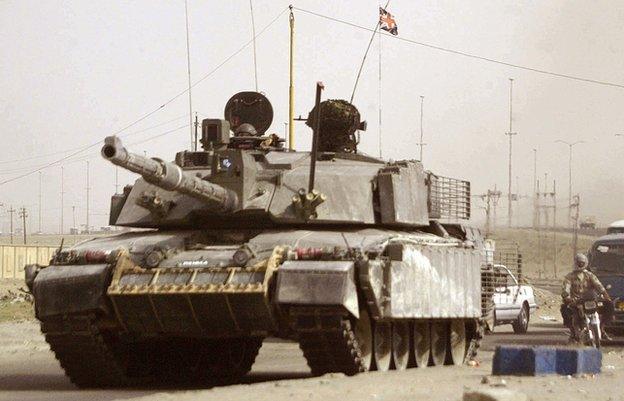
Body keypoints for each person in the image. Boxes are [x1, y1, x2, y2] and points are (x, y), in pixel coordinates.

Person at [560, 253, 614, 341]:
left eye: (582, 262)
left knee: (609, 305)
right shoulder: (569, 277)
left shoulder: (589, 275)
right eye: (579, 262)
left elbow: (599, 285)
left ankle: (602, 328)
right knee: (564, 309)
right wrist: (567, 297)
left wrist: (605, 295)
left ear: (585, 263)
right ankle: (573, 332)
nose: (580, 264)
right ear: (575, 263)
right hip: (576, 302)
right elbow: (566, 288)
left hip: (590, 300)